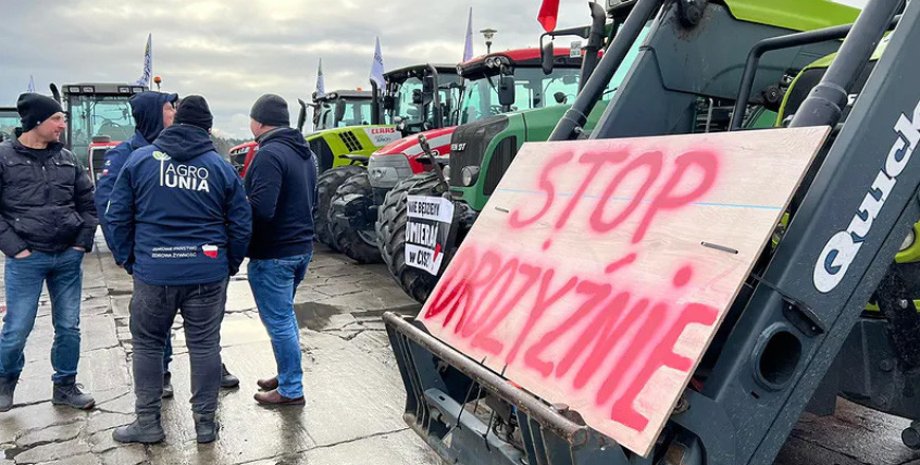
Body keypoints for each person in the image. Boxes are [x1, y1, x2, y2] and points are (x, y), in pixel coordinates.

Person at [107, 96, 251, 444]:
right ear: (207, 128)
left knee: (148, 344)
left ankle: (148, 422)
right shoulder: (220, 168)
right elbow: (242, 223)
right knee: (204, 345)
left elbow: (116, 216)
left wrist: (130, 260)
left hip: (154, 271)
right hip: (206, 271)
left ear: (176, 123)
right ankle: (205, 424)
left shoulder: (141, 160)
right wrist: (228, 264)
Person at [0, 93, 98, 412]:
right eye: (57, 118)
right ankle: (5, 381)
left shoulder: (67, 158)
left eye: (63, 119)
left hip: (67, 256)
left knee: (69, 326)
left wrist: (80, 243)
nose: (62, 125)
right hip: (26, 259)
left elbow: (88, 204)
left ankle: (65, 386)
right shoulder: (4, 157)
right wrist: (16, 249)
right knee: (17, 328)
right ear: (36, 121)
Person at [245, 94, 317, 406]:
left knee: (279, 321)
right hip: (301, 248)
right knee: (285, 317)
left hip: (274, 253)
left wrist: (236, 208)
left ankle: (290, 389)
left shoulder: (269, 155)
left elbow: (262, 209)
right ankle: (287, 373)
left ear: (259, 121)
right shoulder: (305, 153)